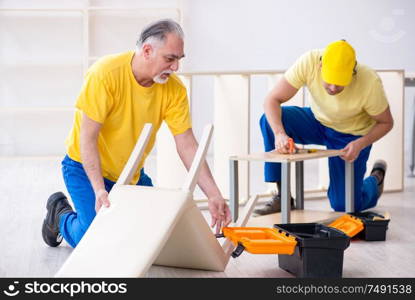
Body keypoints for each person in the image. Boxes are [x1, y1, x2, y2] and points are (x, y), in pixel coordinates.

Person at [42, 19, 231, 248]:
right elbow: (87, 138)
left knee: (155, 235)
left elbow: (187, 144)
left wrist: (213, 193)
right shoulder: (104, 75)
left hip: (131, 175)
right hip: (84, 168)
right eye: (169, 59)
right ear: (147, 51)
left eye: (179, 60)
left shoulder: (175, 90)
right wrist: (99, 189)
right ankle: (60, 215)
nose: (175, 68)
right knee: (93, 240)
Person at [254, 40, 393, 216]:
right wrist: (280, 134)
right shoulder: (309, 62)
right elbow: (271, 100)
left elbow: (386, 123)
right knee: (269, 120)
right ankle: (283, 197)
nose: (333, 88)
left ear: (353, 72)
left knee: (344, 205)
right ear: (320, 66)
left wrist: (361, 143)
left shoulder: (370, 82)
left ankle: (375, 180)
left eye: (340, 83)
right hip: (317, 121)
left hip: (351, 135)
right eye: (329, 82)